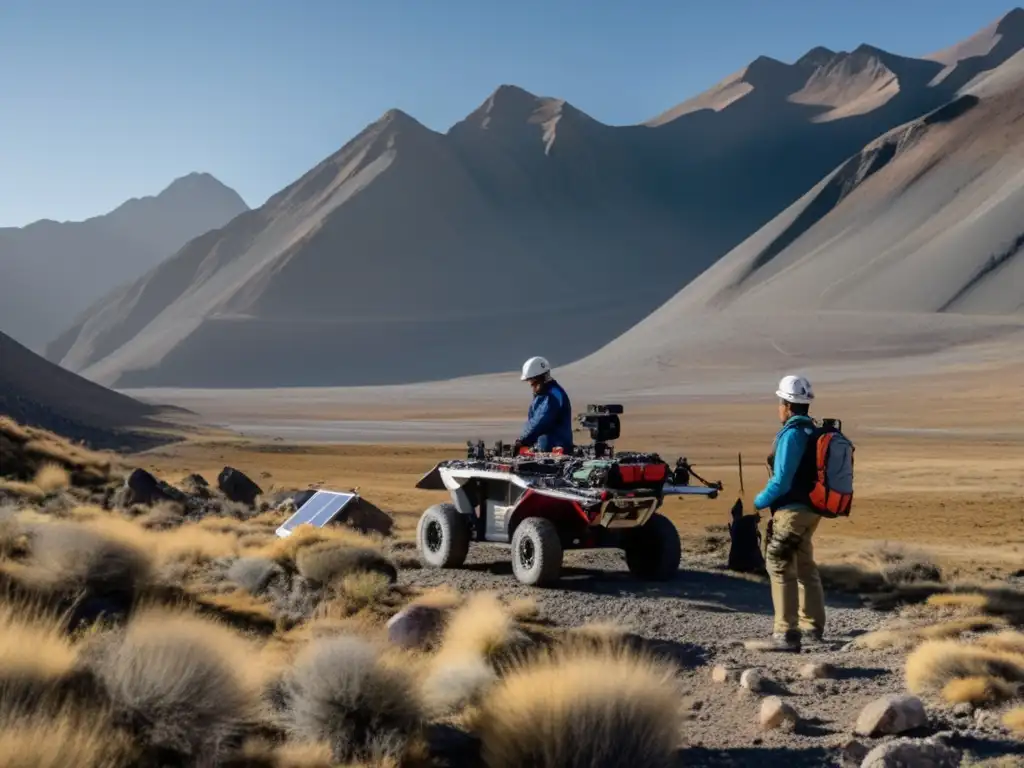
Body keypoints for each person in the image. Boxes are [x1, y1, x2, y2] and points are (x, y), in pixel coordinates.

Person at [751, 374, 826, 651]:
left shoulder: (792, 434)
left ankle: (786, 633)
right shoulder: (811, 431)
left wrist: (758, 502)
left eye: (780, 402)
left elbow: (781, 480)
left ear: (786, 404)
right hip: (811, 511)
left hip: (791, 512)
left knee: (779, 564)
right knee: (805, 565)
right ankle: (812, 628)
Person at [516, 356, 574, 453]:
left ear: (541, 378)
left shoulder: (553, 395)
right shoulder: (543, 395)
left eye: (532, 381)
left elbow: (541, 421)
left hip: (556, 451)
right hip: (546, 450)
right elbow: (533, 421)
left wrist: (523, 441)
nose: (531, 385)